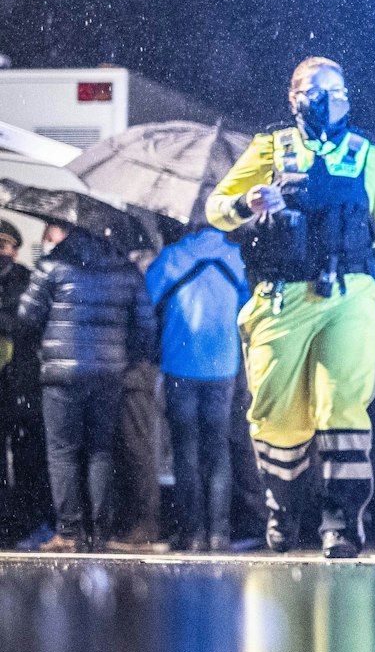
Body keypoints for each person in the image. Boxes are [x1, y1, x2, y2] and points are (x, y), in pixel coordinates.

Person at [208, 58, 375, 558]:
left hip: (350, 296)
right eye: (316, 89)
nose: (330, 98)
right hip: (280, 299)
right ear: (294, 98)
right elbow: (216, 208)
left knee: (341, 404)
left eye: (338, 89)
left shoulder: (370, 156)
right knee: (278, 417)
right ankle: (282, 507)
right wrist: (249, 203)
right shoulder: (270, 148)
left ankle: (341, 523)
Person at [11, 221, 157, 552]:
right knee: (100, 450)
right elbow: (146, 325)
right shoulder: (125, 269)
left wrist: (45, 348)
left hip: (61, 375)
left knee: (62, 451)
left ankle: (68, 531)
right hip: (108, 374)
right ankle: (99, 531)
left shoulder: (52, 265)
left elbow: (27, 317)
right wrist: (124, 357)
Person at [145, 214, 250, 552]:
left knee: (185, 450)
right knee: (218, 450)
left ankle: (192, 533)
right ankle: (220, 533)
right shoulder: (235, 257)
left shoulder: (173, 256)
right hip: (224, 366)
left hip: (180, 363)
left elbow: (147, 299)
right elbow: (248, 307)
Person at [0, 220, 53, 542]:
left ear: (15, 250)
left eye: (4, 245)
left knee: (27, 454)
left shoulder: (27, 280)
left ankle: (27, 520)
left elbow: (28, 322)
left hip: (21, 380)